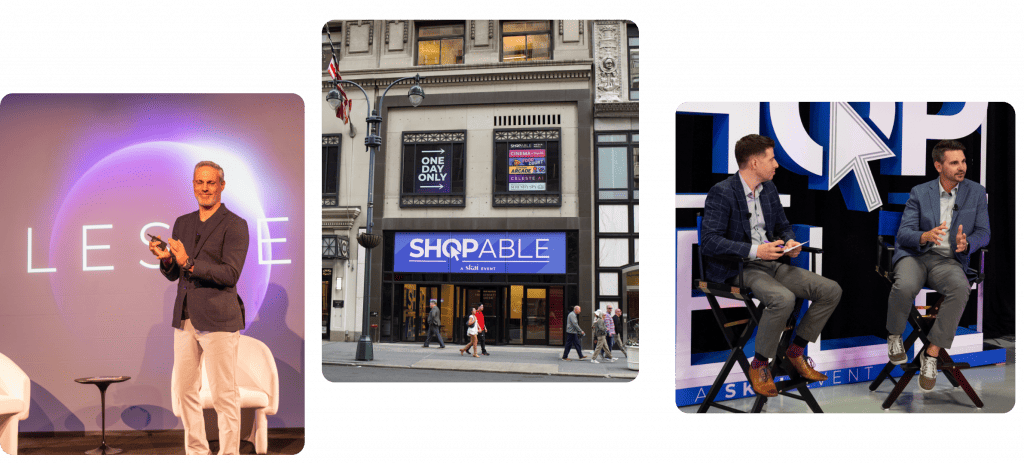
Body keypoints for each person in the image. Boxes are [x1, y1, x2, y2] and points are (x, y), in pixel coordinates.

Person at [700, 134, 842, 398]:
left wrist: (789, 240)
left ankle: (796, 351)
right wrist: (756, 250)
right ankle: (760, 364)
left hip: (772, 263)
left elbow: (783, 225)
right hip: (740, 268)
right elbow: (709, 242)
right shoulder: (722, 192)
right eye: (771, 159)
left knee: (830, 290)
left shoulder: (770, 189)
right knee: (782, 299)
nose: (776, 164)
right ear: (754, 163)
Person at [148, 161, 248, 455]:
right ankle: (197, 451)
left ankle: (229, 453)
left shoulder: (235, 224)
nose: (204, 188)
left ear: (222, 186)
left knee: (223, 395)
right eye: (199, 182)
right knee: (185, 392)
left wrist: (188, 262)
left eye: (210, 183)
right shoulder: (182, 222)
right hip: (186, 318)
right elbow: (175, 273)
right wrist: (166, 259)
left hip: (219, 319)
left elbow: (230, 274)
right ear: (193, 185)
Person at [885, 139, 989, 390]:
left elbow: (984, 233)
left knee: (961, 288)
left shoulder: (975, 191)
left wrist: (968, 244)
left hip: (948, 260)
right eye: (954, 162)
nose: (961, 167)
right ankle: (895, 335)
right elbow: (904, 234)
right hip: (916, 256)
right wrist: (925, 236)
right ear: (938, 166)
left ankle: (930, 353)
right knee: (905, 285)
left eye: (963, 161)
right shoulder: (920, 192)